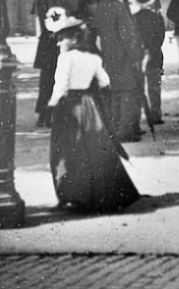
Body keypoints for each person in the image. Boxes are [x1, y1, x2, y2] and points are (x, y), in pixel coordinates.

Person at [45, 15, 140, 213]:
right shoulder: (93, 58)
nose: (59, 43)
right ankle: (98, 194)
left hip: (69, 106)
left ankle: (74, 194)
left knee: (68, 150)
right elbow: (105, 81)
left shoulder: (65, 58)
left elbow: (60, 86)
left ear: (74, 38)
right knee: (94, 148)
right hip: (89, 105)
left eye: (62, 38)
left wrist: (51, 106)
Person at [90, 0, 144, 143]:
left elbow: (95, 32)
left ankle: (115, 128)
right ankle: (126, 130)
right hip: (123, 56)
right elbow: (128, 37)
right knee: (128, 91)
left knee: (114, 92)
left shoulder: (101, 6)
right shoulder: (119, 7)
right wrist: (136, 58)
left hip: (107, 55)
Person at [131, 0, 165, 125]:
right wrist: (152, 50)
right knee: (154, 87)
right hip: (154, 55)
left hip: (137, 56)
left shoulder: (133, 18)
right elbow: (160, 38)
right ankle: (156, 114)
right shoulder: (157, 17)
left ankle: (135, 116)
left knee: (137, 87)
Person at [32, 0, 59, 128]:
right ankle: (49, 115)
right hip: (54, 47)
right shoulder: (57, 4)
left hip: (45, 46)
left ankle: (43, 115)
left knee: (45, 82)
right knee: (54, 81)